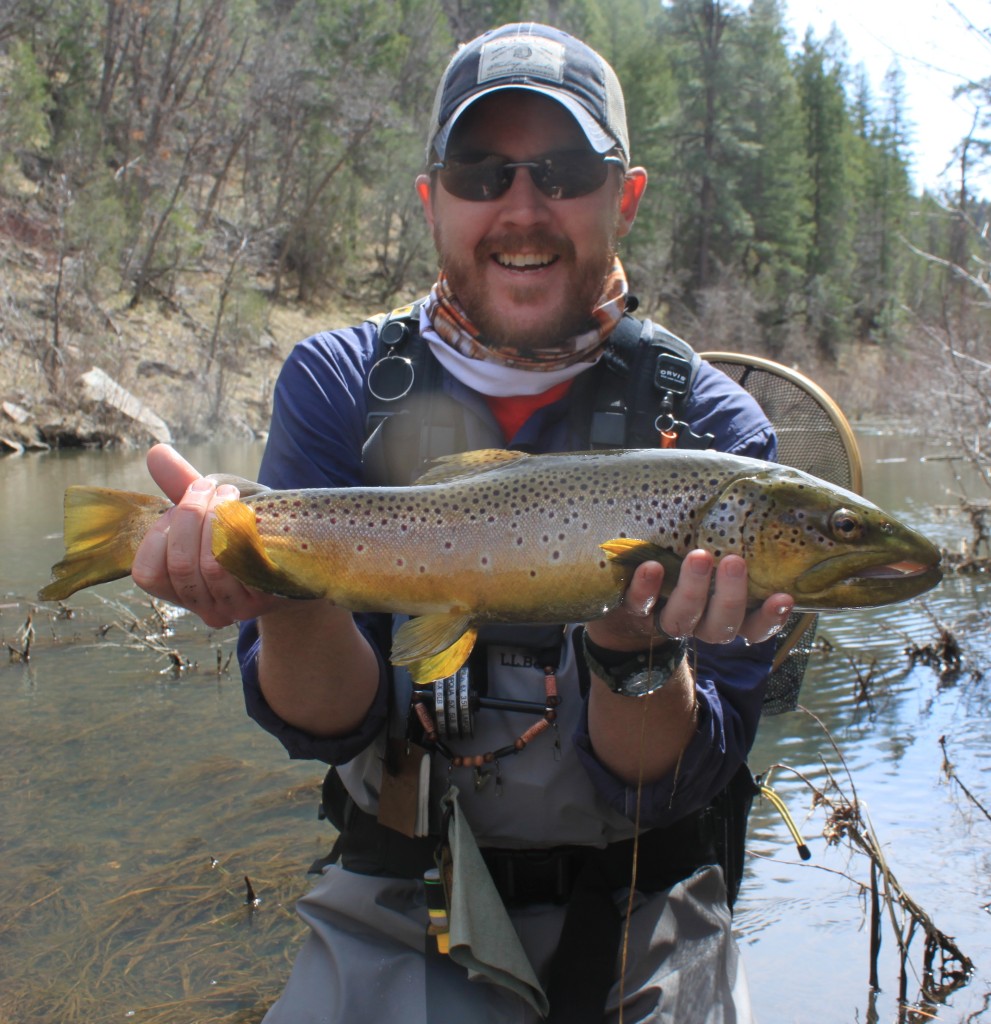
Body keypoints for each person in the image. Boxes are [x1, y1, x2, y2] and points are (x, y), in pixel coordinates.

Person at [131, 22, 794, 1024]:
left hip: (644, 900)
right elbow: (326, 727)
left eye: (563, 170)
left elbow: (679, 780)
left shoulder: (713, 432)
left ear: (626, 195)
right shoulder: (338, 384)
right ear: (430, 197)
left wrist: (631, 643)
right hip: (400, 888)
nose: (521, 209)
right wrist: (284, 590)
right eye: (480, 172)